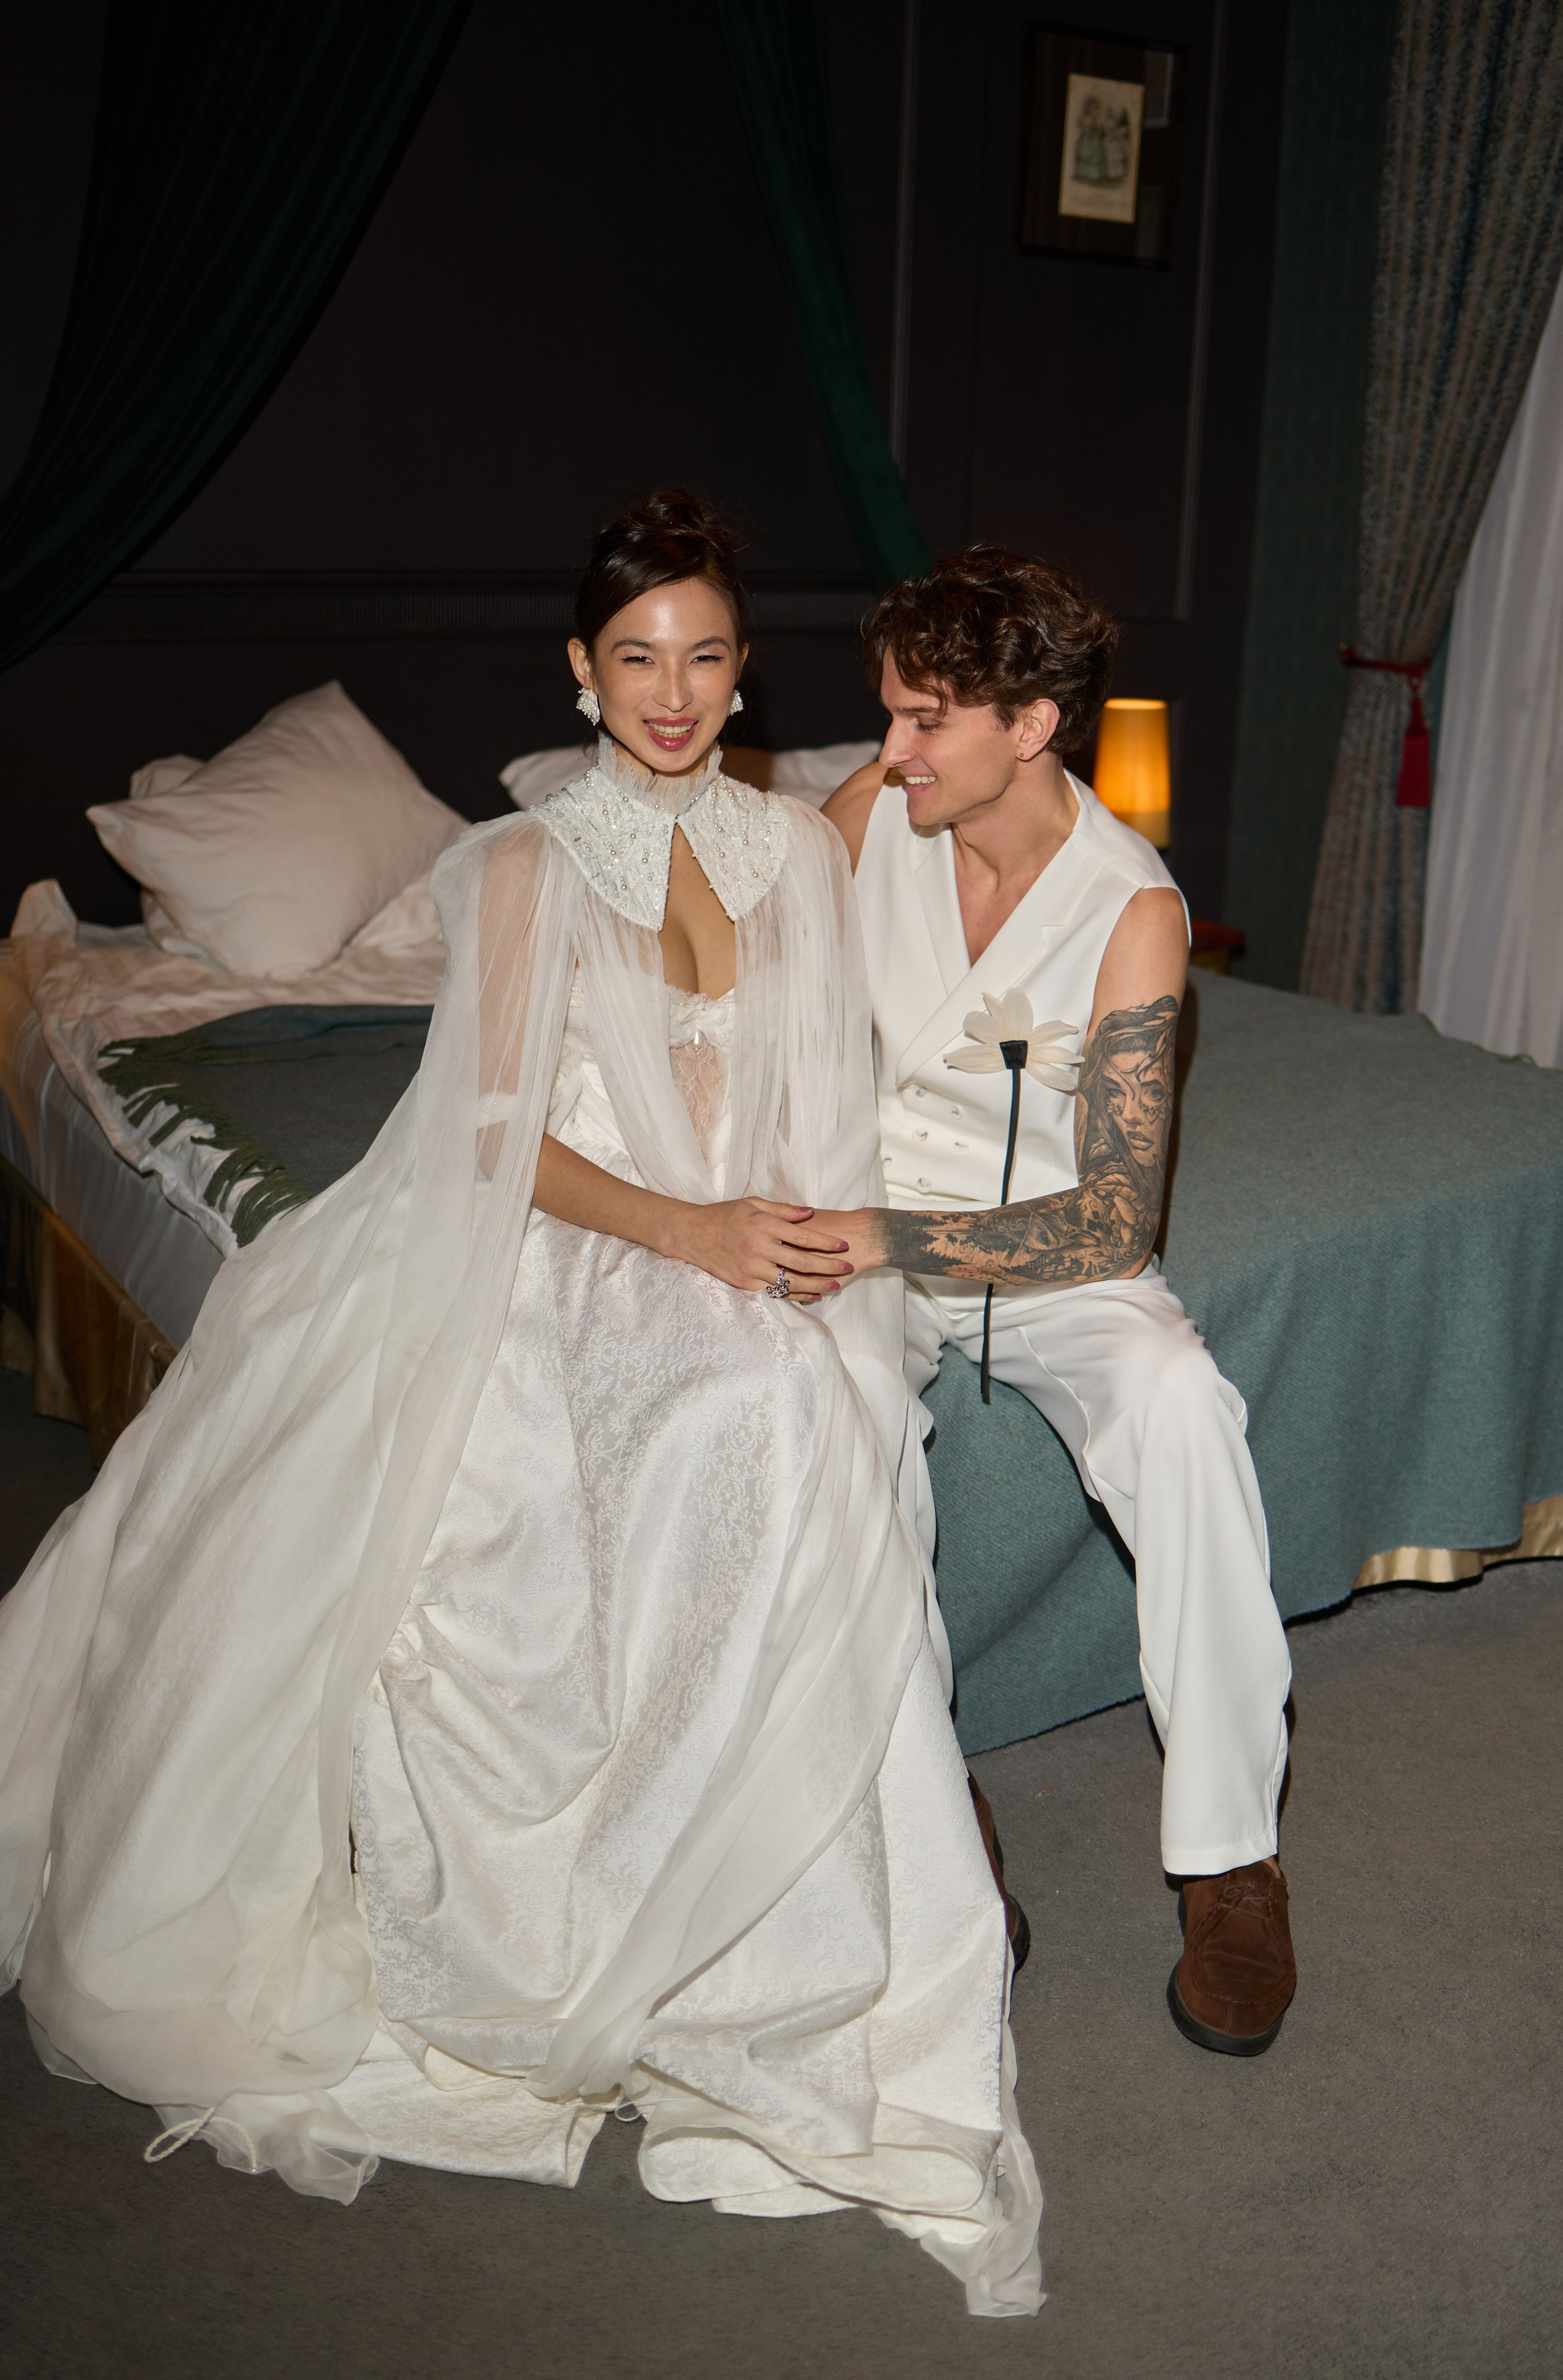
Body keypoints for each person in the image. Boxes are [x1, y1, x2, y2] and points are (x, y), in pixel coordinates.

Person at [0, 494, 1043, 2316]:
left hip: (739, 1238)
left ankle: (786, 1893)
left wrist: (816, 1243)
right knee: (718, 1425)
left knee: (802, 1406)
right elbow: (494, 1139)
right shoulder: (515, 869)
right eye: (636, 657)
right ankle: (646, 1917)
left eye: (704, 656)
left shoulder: (796, 853)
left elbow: (818, 1092)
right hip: (567, 1239)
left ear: (743, 673)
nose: (671, 690)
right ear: (581, 670)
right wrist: (693, 1233)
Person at [821, 545, 1298, 2058]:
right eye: (891, 712)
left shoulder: (1131, 910)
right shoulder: (866, 819)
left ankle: (1232, 1863)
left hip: (1037, 1252)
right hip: (863, 1230)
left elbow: (1114, 1218)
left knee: (1182, 1404)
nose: (891, 747)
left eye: (925, 720)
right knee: (827, 1418)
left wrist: (884, 1236)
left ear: (1030, 725)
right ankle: (935, 1806)